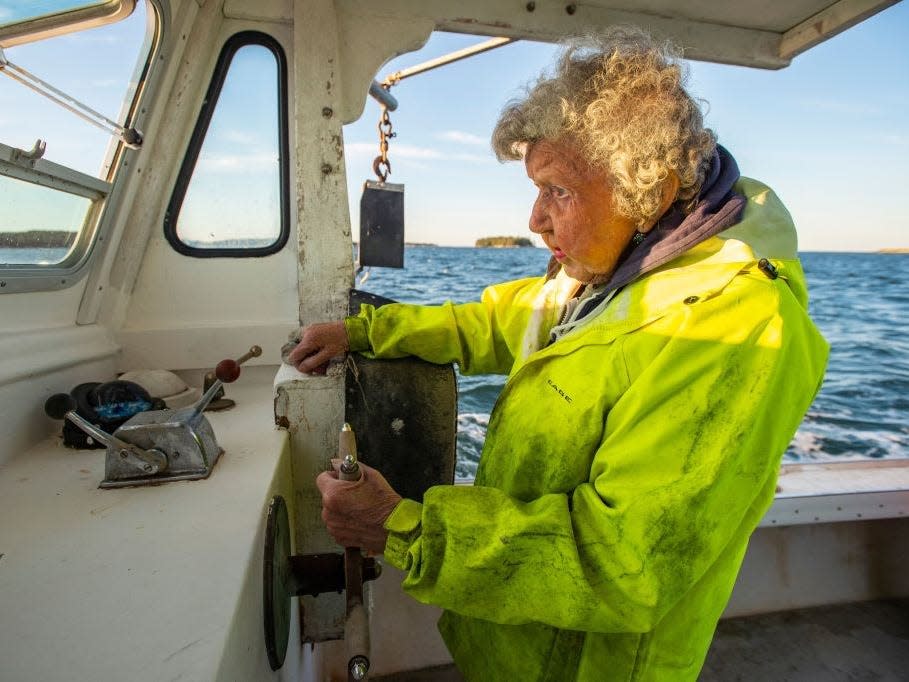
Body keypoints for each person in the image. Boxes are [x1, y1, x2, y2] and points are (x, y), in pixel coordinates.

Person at [288, 26, 828, 682]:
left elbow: (621, 566)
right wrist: (366, 332)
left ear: (649, 192)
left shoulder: (735, 328)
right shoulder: (602, 270)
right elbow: (491, 322)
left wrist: (400, 530)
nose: (535, 219)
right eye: (537, 188)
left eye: (558, 192)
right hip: (509, 639)